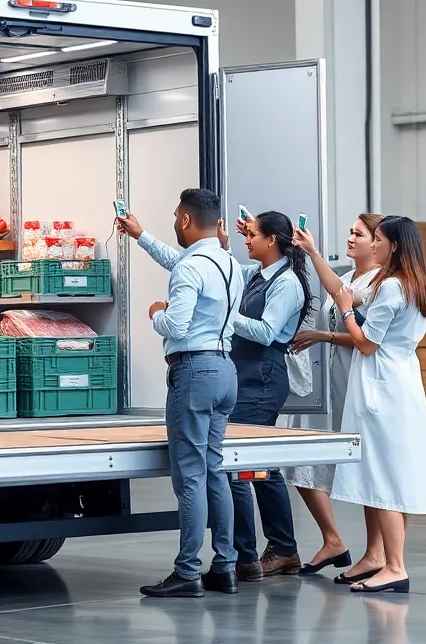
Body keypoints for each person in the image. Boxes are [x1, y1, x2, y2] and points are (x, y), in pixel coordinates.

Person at [117, 188, 243, 599]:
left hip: (194, 372)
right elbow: (181, 261)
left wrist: (156, 313)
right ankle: (224, 566)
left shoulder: (191, 269)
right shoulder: (228, 263)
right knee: (213, 470)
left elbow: (177, 325)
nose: (174, 223)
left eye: (175, 217)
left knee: (189, 475)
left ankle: (188, 571)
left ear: (186, 221)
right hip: (226, 370)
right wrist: (141, 234)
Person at [305, 216, 426, 594]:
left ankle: (394, 566)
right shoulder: (410, 284)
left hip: (381, 389)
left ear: (394, 245)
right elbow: (343, 290)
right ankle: (384, 560)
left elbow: (365, 343)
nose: (372, 245)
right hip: (402, 383)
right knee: (391, 477)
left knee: (384, 480)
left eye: (375, 239)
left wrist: (346, 313)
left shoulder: (392, 288)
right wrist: (315, 254)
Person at [220, 212, 313, 581]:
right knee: (258, 464)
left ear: (272, 240)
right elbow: (220, 267)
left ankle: (269, 551)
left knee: (247, 463)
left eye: (253, 234)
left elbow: (265, 331)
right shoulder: (256, 274)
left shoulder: (287, 283)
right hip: (244, 374)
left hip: (262, 376)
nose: (247, 238)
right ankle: (281, 549)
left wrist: (226, 315)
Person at [289, 214, 383, 576]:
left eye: (358, 234)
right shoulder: (347, 279)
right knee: (301, 459)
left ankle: (375, 553)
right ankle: (333, 540)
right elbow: (335, 293)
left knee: (366, 468)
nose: (351, 238)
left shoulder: (379, 283)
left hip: (356, 379)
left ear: (377, 242)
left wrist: (324, 336)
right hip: (329, 381)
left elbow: (368, 339)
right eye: (350, 232)